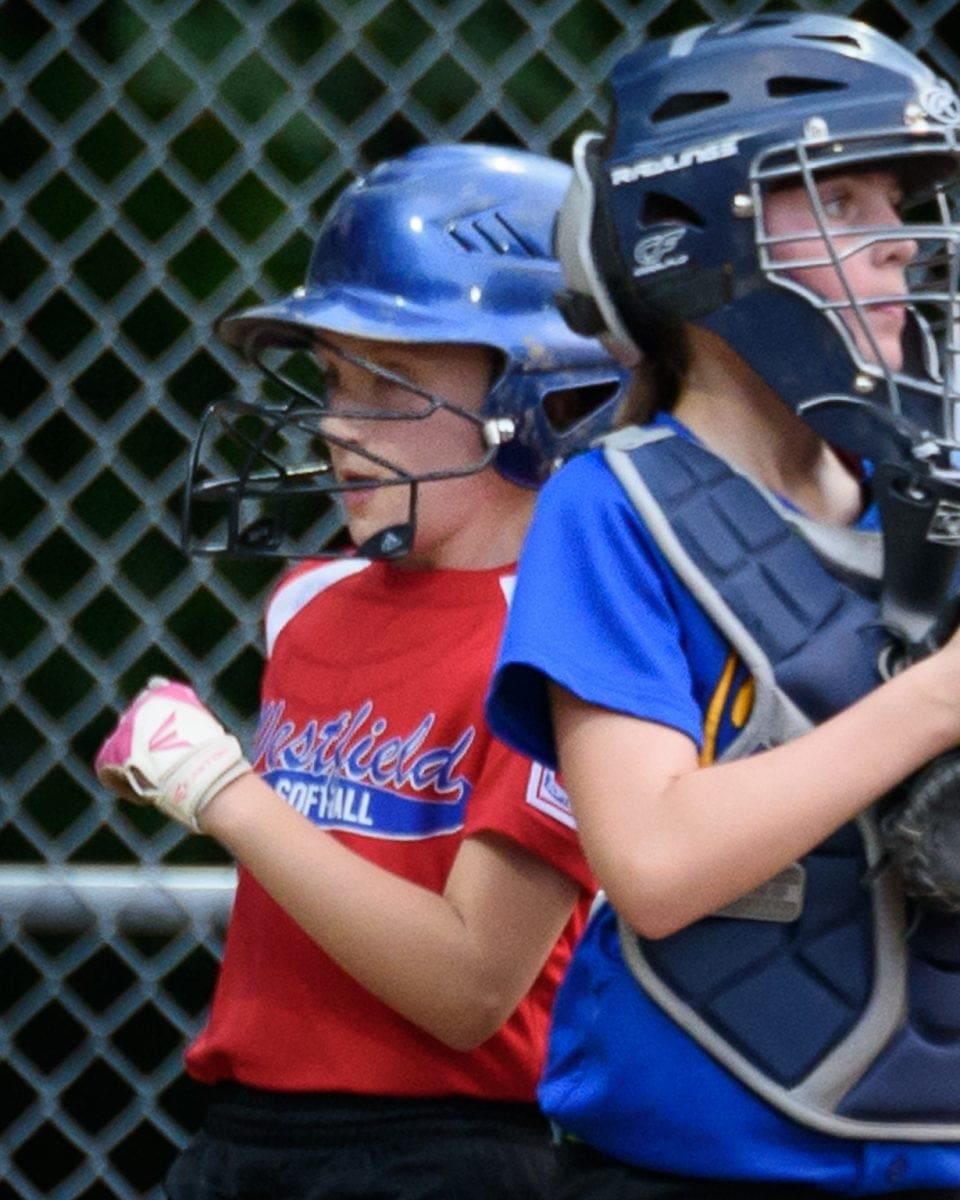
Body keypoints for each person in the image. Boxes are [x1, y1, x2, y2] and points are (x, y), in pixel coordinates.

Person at [92, 143, 628, 1200]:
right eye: (334, 380)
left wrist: (224, 793)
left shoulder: (565, 637)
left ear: (539, 397)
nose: (337, 424)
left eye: (389, 385)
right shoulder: (308, 601)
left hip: (446, 1153)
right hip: (243, 1134)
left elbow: (471, 986)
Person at [485, 15, 960, 1198]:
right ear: (701, 237)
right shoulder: (614, 508)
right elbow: (653, 862)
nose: (903, 243)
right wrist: (935, 705)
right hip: (698, 1164)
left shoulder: (935, 497)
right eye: (839, 201)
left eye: (898, 204)